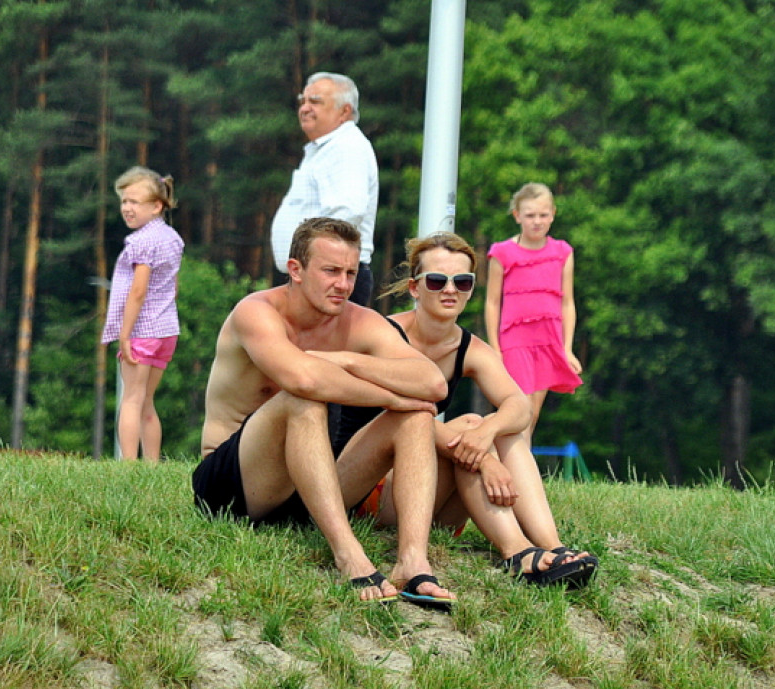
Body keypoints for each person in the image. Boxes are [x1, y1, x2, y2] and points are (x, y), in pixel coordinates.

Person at [192, 217, 456, 608]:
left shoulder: (358, 321)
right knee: (303, 398)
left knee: (417, 417)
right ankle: (348, 554)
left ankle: (412, 561)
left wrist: (349, 360)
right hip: (235, 487)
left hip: (314, 485)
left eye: (350, 272)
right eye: (331, 271)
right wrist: (392, 398)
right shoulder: (257, 311)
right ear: (295, 270)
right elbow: (303, 378)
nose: (344, 285)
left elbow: (432, 383)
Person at [336, 232, 597, 589]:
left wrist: (486, 434)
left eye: (462, 281)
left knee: (493, 424)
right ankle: (518, 551)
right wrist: (485, 459)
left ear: (471, 288)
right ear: (415, 288)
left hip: (421, 496)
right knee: (443, 421)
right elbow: (407, 419)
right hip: (361, 489)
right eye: (436, 280)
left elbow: (518, 405)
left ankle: (552, 546)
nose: (450, 290)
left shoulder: (470, 348)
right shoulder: (383, 334)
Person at [485, 183, 583, 444]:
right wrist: (495, 348)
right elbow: (492, 302)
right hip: (515, 340)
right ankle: (513, 470)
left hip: (548, 340)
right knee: (520, 407)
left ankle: (516, 465)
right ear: (517, 216)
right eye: (530, 215)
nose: (536, 221)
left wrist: (567, 348)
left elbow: (567, 303)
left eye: (542, 215)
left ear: (552, 214)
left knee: (534, 411)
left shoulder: (563, 252)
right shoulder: (502, 252)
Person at [270, 72, 379, 306]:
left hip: (327, 279)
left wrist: (314, 265)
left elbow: (347, 212)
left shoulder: (347, 147)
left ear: (344, 112)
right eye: (303, 101)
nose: (305, 108)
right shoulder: (325, 149)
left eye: (316, 101)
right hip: (315, 276)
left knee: (324, 345)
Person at [101, 166, 184, 461]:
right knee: (147, 400)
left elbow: (138, 291)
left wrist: (125, 334)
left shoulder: (141, 242)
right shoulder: (171, 237)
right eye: (124, 201)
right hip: (166, 329)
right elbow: (173, 286)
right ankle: (150, 465)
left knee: (131, 400)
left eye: (134, 202)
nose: (127, 208)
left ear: (156, 205)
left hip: (142, 330)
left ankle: (127, 466)